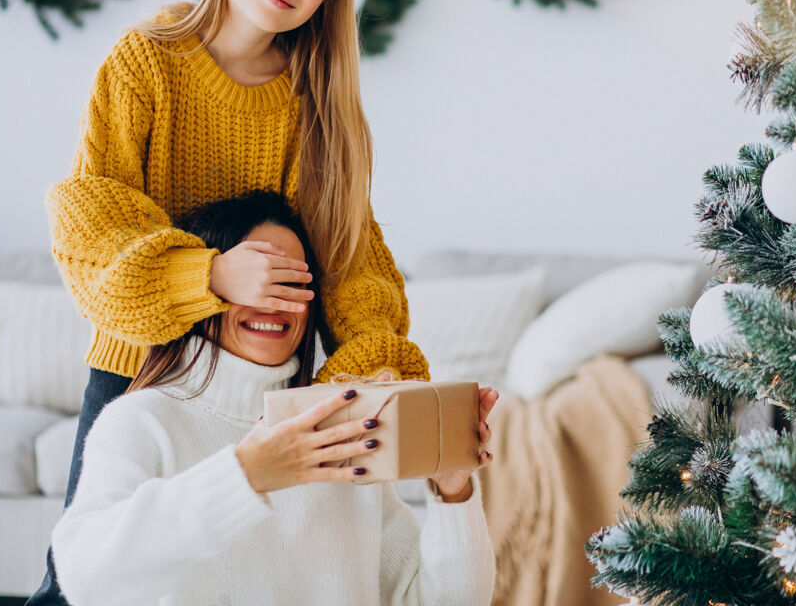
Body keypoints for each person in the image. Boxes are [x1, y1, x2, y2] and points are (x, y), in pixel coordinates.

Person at [28, 0, 429, 604]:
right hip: (144, 367)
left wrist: (372, 363)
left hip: (266, 379)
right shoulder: (146, 60)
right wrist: (210, 275)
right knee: (78, 583)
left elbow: (350, 258)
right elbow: (95, 219)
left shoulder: (320, 104)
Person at [51, 190, 498, 605]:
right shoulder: (143, 422)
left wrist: (454, 491)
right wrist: (244, 476)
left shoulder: (343, 426)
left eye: (294, 284)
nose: (275, 302)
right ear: (211, 288)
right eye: (257, 279)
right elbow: (86, 578)